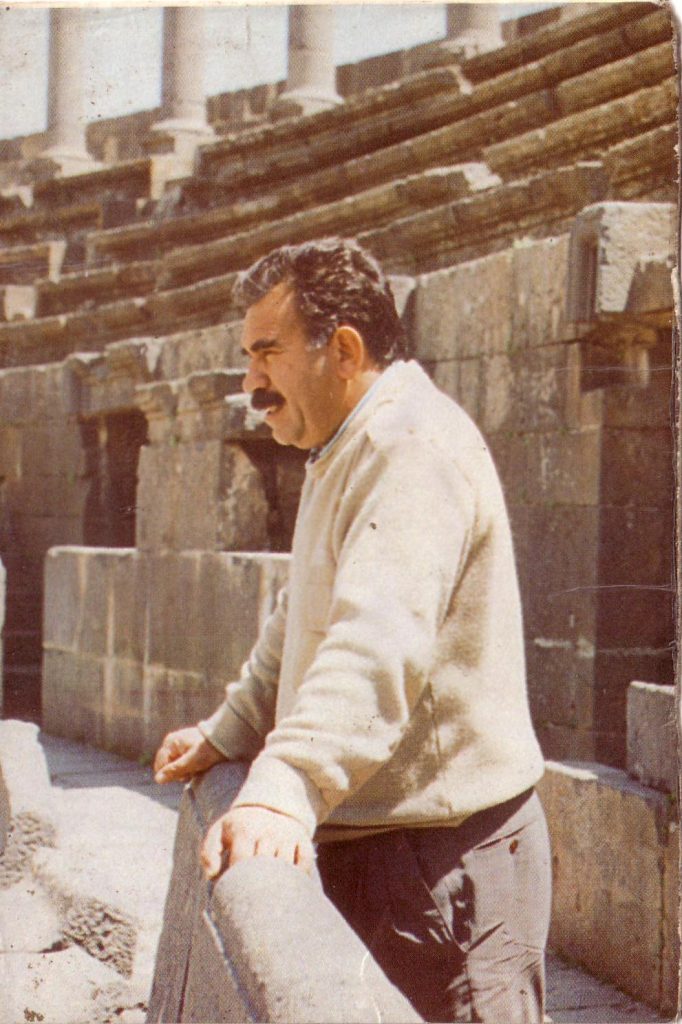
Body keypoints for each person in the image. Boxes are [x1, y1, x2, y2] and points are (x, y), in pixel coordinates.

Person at [153, 237, 551, 1023]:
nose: (251, 382)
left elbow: (377, 642)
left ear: (343, 350)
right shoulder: (348, 442)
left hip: (443, 865)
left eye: (267, 353)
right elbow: (304, 613)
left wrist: (284, 789)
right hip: (395, 850)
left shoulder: (408, 448)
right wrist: (231, 729)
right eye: (247, 356)